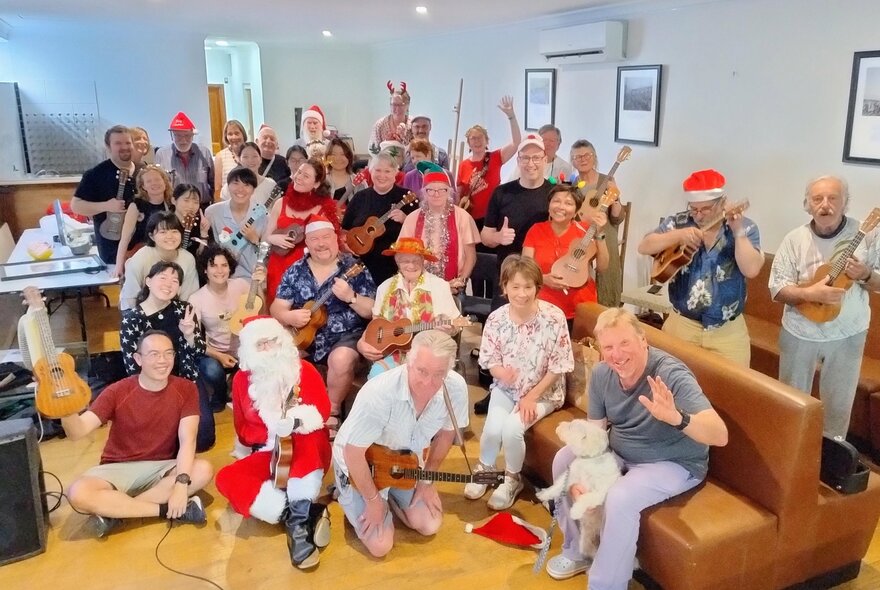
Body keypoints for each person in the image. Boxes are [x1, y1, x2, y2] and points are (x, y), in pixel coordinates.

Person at [545, 307, 728, 586]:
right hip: (620, 452)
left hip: (672, 462)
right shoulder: (604, 373)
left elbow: (720, 434)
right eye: (609, 347)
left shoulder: (670, 373)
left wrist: (677, 418)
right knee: (565, 461)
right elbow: (595, 433)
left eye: (624, 343)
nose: (617, 354)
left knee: (620, 497)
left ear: (643, 340)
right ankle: (578, 550)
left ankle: (607, 584)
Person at [62, 330, 213, 538]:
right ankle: (166, 510)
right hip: (118, 467)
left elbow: (188, 441)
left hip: (161, 467)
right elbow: (78, 431)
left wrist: (180, 483)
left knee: (203, 469)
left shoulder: (186, 389)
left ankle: (117, 512)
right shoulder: (117, 391)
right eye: (154, 354)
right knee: (78, 493)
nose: (163, 361)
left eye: (168, 354)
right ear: (138, 359)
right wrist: (65, 410)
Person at [333, 330, 469, 558]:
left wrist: (427, 480)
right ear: (408, 361)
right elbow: (352, 452)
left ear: (450, 368)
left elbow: (446, 435)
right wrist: (374, 501)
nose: (428, 383)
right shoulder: (378, 393)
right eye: (422, 371)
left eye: (439, 374)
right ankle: (350, 491)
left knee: (429, 525)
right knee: (380, 546)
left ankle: (395, 497)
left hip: (405, 462)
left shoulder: (455, 387)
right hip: (361, 464)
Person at [215, 316, 332, 569]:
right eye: (260, 345)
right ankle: (300, 515)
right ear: (249, 351)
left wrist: (293, 423)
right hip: (269, 451)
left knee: (309, 436)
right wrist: (266, 434)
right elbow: (242, 428)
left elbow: (321, 412)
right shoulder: (240, 380)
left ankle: (299, 533)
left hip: (307, 447)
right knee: (226, 478)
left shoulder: (304, 371)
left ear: (283, 342)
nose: (268, 349)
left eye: (272, 342)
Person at [770, 175, 880, 438]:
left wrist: (865, 274)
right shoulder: (794, 240)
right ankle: (789, 453)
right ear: (807, 204)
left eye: (833, 198)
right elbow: (777, 289)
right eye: (817, 199)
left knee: (838, 406)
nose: (825, 205)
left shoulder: (866, 236)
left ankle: (831, 465)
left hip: (848, 334)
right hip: (799, 332)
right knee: (791, 401)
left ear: (845, 203)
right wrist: (810, 293)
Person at [463, 255, 573, 510]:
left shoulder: (554, 317)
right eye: (515, 287)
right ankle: (487, 470)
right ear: (504, 287)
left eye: (528, 287)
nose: (522, 293)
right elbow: (489, 360)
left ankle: (512, 479)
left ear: (537, 287)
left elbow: (560, 365)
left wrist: (532, 396)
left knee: (512, 428)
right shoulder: (497, 319)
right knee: (491, 429)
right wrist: (501, 373)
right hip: (507, 388)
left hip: (544, 392)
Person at [637, 169, 764, 367]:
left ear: (722, 202)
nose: (698, 215)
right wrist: (678, 236)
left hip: (727, 331)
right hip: (681, 325)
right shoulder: (679, 222)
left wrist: (738, 231)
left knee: (731, 390)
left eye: (705, 209)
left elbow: (752, 270)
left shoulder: (746, 227)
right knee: (672, 384)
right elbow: (644, 246)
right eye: (693, 209)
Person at [271, 216, 376, 436]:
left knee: (340, 359)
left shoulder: (354, 267)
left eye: (326, 237)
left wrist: (352, 297)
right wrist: (289, 317)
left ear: (336, 239)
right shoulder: (295, 270)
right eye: (314, 239)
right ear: (306, 243)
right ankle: (291, 410)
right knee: (280, 354)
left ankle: (332, 411)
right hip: (305, 336)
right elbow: (277, 308)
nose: (321, 244)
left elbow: (372, 309)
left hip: (345, 336)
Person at [120, 261, 214, 452]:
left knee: (204, 438)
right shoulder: (132, 318)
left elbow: (198, 352)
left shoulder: (184, 310)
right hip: (153, 385)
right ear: (148, 281)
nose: (169, 283)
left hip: (186, 379)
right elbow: (132, 365)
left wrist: (189, 334)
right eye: (162, 277)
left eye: (175, 280)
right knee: (161, 442)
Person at [358, 237, 461, 378]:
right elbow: (376, 323)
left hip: (429, 355)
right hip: (395, 354)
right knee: (378, 377)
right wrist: (362, 343)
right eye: (406, 261)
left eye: (416, 261)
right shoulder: (385, 287)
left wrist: (450, 328)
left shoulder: (439, 286)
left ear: (423, 261)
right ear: (397, 262)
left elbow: (456, 324)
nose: (411, 266)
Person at [189, 244, 266, 411]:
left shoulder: (241, 285)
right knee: (211, 370)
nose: (219, 270)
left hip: (245, 348)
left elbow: (261, 312)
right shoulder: (196, 299)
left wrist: (259, 285)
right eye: (213, 265)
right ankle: (219, 396)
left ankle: (241, 391)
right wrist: (219, 356)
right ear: (205, 270)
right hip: (216, 352)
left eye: (224, 265)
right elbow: (193, 339)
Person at [522, 184, 609, 322]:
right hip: (544, 308)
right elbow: (525, 269)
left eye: (568, 203)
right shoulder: (536, 230)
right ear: (549, 206)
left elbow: (602, 267)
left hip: (582, 308)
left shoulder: (587, 230)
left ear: (576, 211)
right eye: (556, 201)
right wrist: (543, 279)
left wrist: (600, 233)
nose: (561, 207)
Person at [265, 158, 340, 307]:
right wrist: (274, 238)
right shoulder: (281, 203)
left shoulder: (323, 209)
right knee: (277, 310)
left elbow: (328, 243)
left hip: (306, 269)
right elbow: (266, 236)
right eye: (299, 172)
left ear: (316, 183)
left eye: (306, 176)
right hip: (278, 264)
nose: (299, 177)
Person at [400, 161, 480, 295]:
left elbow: (470, 257)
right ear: (423, 192)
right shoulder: (412, 218)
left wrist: (460, 282)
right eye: (430, 190)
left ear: (449, 192)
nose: (436, 194)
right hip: (418, 287)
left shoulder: (463, 217)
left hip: (454, 287)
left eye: (441, 189)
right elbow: (403, 254)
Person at [341, 150, 418, 285]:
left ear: (396, 173)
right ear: (371, 171)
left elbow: (420, 233)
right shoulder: (360, 197)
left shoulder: (407, 197)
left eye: (387, 171)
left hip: (394, 268)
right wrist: (348, 246)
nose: (382, 175)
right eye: (378, 170)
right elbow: (345, 229)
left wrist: (406, 220)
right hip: (360, 267)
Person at [569, 139, 626, 307]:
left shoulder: (606, 180)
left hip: (604, 230)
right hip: (581, 233)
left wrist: (615, 199)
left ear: (595, 157)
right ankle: (582, 306)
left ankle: (608, 307)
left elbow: (617, 218)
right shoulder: (573, 184)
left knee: (608, 268)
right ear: (572, 161)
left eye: (587, 155)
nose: (583, 159)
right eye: (577, 157)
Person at [71, 124, 136, 264]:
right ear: (108, 147)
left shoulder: (144, 171)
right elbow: (76, 206)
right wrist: (106, 206)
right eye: (118, 143)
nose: (124, 147)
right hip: (112, 248)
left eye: (127, 142)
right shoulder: (95, 174)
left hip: (142, 246)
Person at [456, 96, 522, 225]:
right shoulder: (463, 165)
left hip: (492, 215)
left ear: (487, 140)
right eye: (473, 139)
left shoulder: (496, 157)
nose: (477, 141)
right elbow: (459, 192)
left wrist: (511, 116)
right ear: (468, 143)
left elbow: (516, 142)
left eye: (480, 137)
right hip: (470, 218)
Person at [119, 211, 199, 311]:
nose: (170, 236)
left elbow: (189, 296)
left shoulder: (188, 258)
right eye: (163, 232)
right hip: (141, 313)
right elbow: (130, 297)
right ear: (151, 236)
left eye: (174, 231)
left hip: (176, 313)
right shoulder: (140, 258)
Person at [205, 167, 269, 281]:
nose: (241, 189)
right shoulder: (212, 212)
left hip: (252, 278)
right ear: (228, 186)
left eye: (247, 185)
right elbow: (207, 247)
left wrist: (255, 240)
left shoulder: (263, 215)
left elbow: (267, 255)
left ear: (254, 189)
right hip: (222, 278)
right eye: (235, 183)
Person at [113, 164, 173, 278]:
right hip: (140, 255)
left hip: (165, 256)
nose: (154, 183)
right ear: (143, 186)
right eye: (149, 181)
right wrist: (119, 266)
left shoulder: (172, 204)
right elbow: (125, 237)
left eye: (157, 179)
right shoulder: (136, 205)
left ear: (165, 182)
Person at [155, 111, 214, 208]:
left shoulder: (204, 153)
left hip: (201, 208)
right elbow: (158, 185)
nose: (183, 140)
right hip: (173, 209)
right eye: (178, 135)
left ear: (193, 135)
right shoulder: (161, 154)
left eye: (187, 135)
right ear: (172, 135)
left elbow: (213, 182)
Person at [220, 141, 278, 206]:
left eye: (255, 156)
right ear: (239, 159)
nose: (250, 160)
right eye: (245, 157)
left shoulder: (270, 185)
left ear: (261, 159)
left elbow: (277, 212)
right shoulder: (229, 187)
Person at [509, 125, 573, 182]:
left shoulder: (565, 167)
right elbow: (510, 185)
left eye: (552, 140)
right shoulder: (526, 162)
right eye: (544, 140)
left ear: (558, 144)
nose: (548, 143)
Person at [368, 80, 412, 152]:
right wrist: (386, 144)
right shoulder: (380, 125)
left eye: (401, 105)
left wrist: (403, 141)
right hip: (383, 162)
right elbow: (372, 150)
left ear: (407, 105)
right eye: (394, 104)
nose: (397, 108)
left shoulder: (413, 125)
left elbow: (417, 150)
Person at [172, 183, 210, 259]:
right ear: (173, 200)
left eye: (196, 202)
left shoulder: (200, 223)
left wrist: (204, 233)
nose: (191, 206)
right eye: (186, 200)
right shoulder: (164, 223)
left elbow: (201, 257)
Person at [326, 138, 365, 209]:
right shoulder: (321, 181)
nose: (338, 158)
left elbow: (364, 209)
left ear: (349, 157)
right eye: (333, 154)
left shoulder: (360, 182)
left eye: (343, 154)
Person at [213, 119, 248, 199]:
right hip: (228, 204)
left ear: (243, 134)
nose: (234, 137)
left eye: (237, 133)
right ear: (226, 136)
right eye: (230, 134)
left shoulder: (251, 153)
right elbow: (218, 189)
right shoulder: (220, 157)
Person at [257, 124, 292, 189]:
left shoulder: (284, 162)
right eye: (265, 137)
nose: (268, 141)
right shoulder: (250, 161)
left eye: (272, 139)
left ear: (277, 144)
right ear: (257, 141)